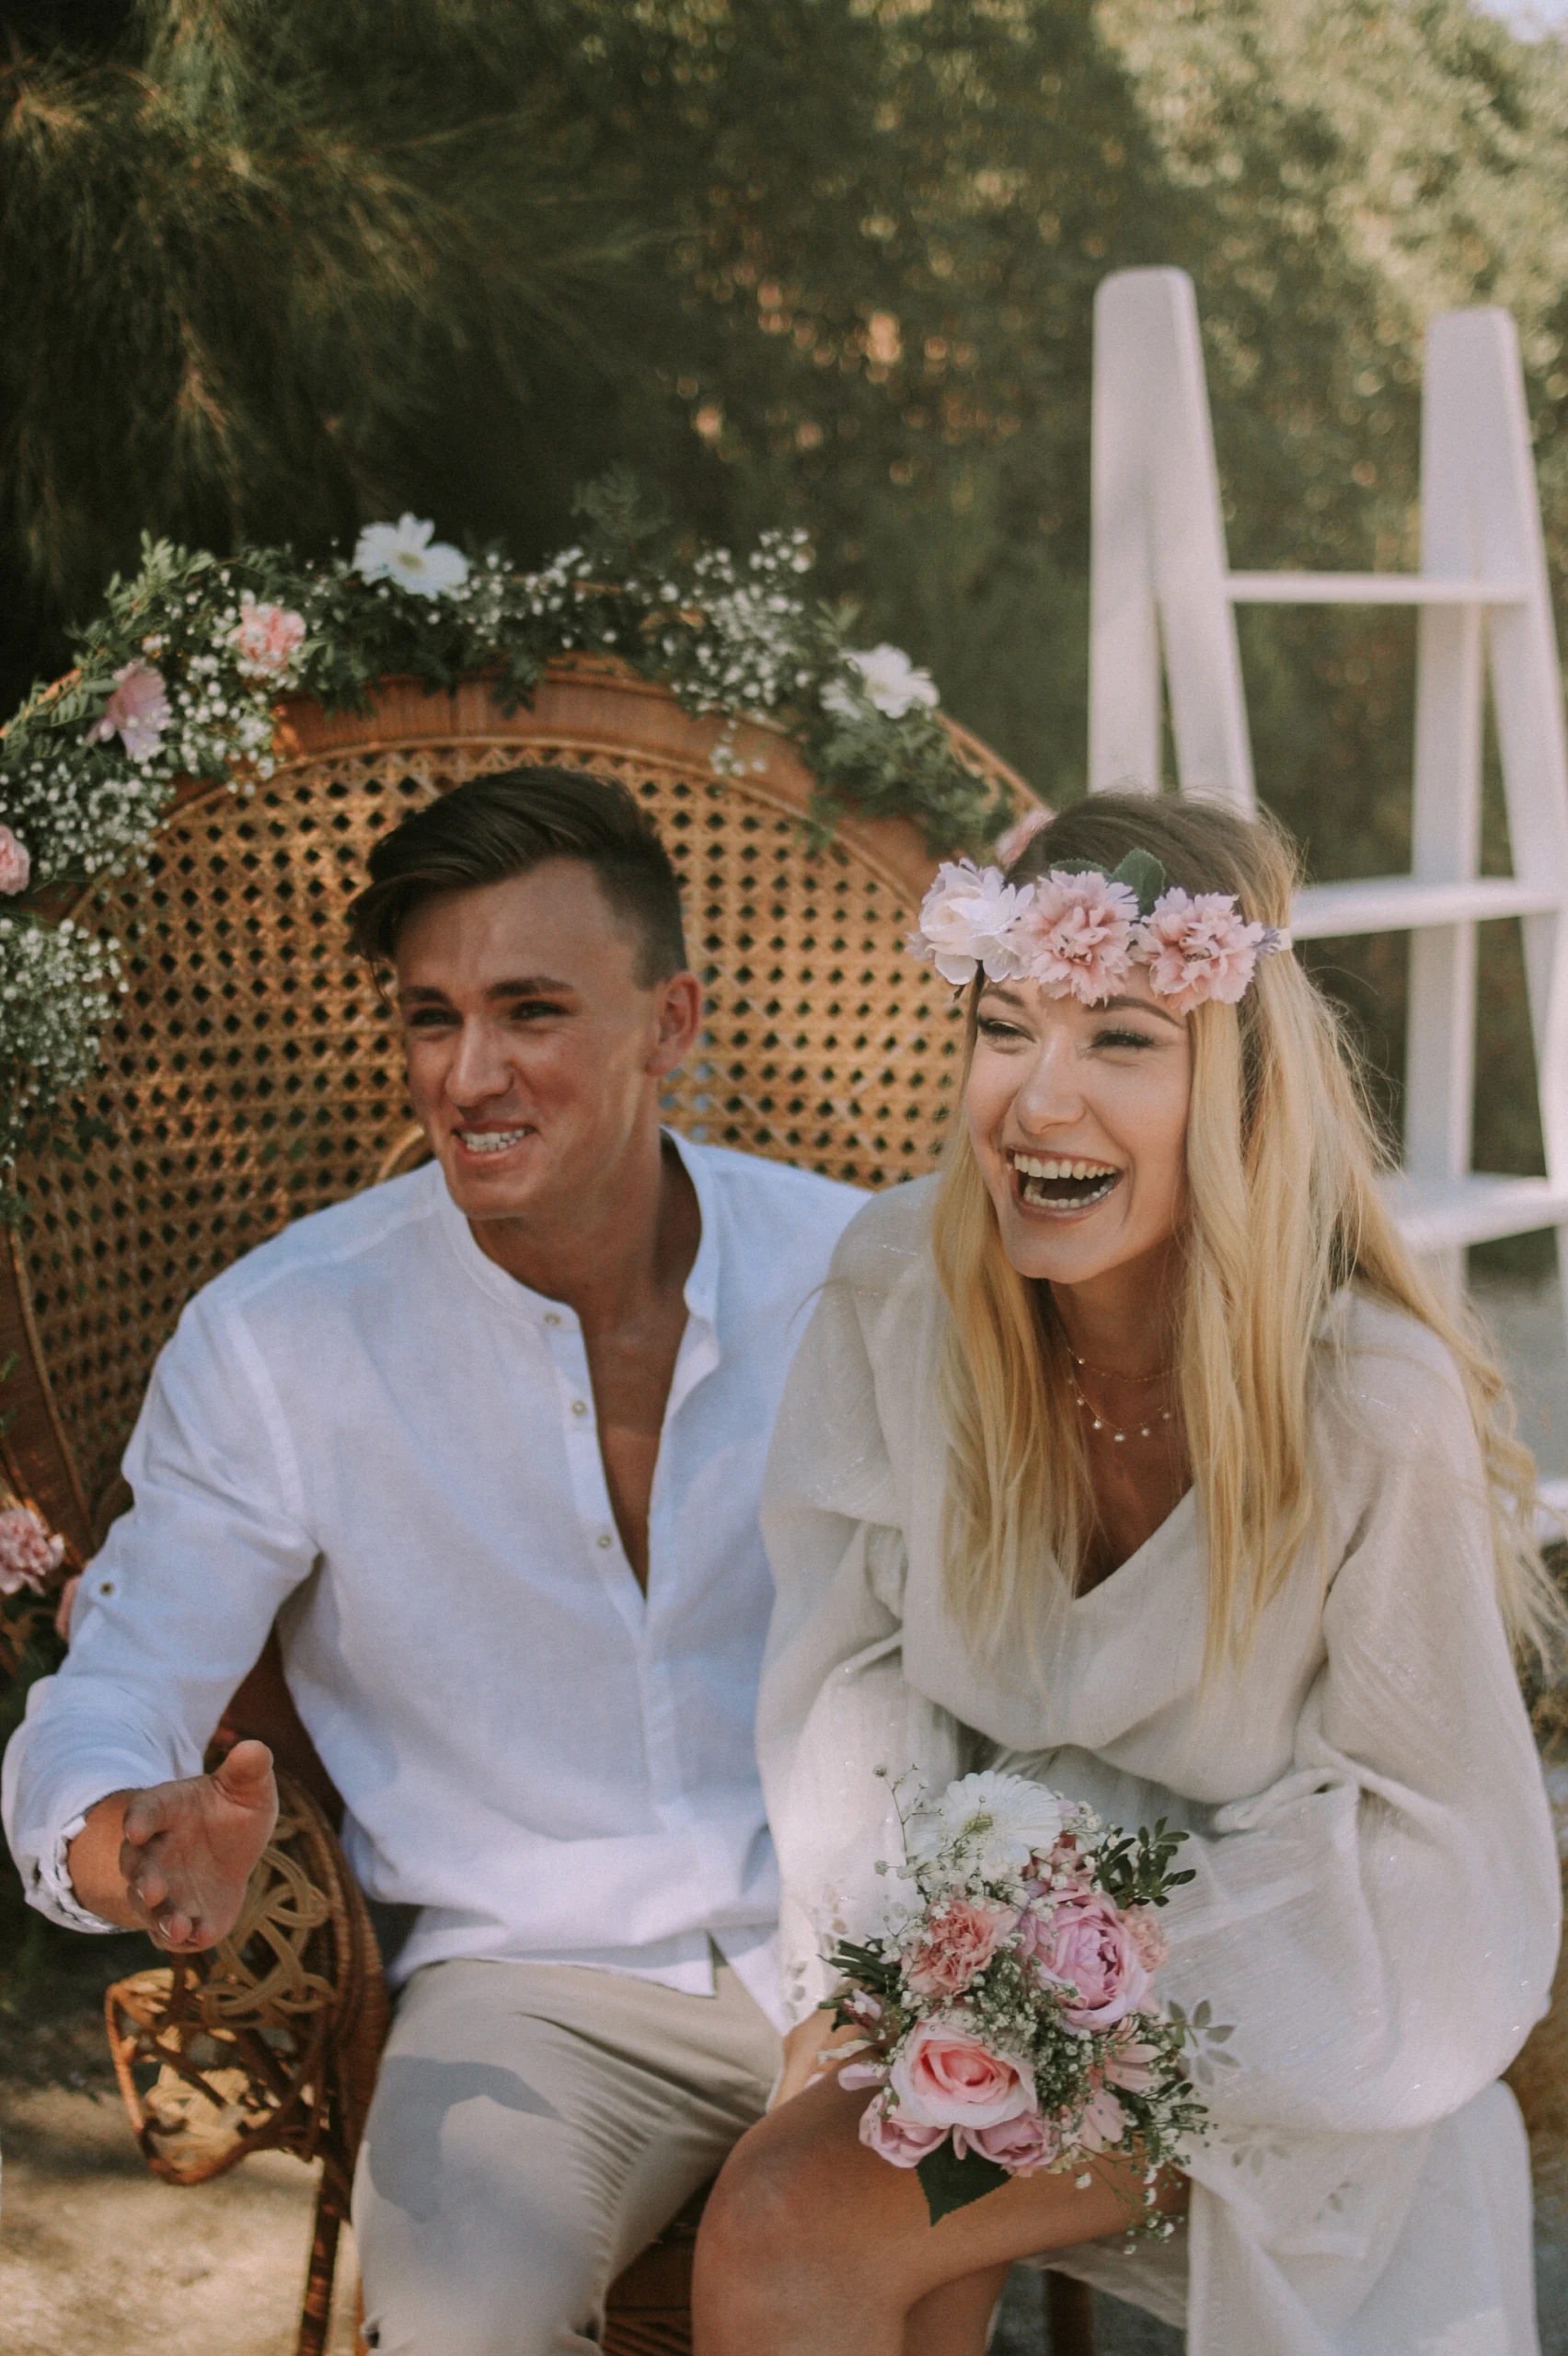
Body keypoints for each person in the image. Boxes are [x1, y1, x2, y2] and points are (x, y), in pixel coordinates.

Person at [2, 766, 865, 2356]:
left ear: (670, 1021)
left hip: (862, 1953)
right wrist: (129, 1839)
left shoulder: (859, 1275)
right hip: (523, 1996)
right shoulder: (281, 1340)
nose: (469, 1074)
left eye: (531, 1010)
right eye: (429, 1017)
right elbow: (120, 1682)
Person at [693, 793, 1563, 2356]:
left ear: (1235, 1088)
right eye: (1006, 1027)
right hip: (954, 1943)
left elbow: (1429, 1839)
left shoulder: (1366, 1403)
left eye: (1121, 1042)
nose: (1039, 1100)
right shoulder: (899, 1298)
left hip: (1293, 1996)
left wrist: (1069, 1995)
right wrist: (874, 1961)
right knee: (837, 2214)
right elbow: (845, 1673)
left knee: (789, 2218)